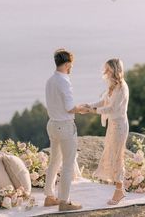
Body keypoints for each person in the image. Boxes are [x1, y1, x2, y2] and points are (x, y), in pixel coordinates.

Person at [43, 49, 87, 212]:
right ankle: (64, 202)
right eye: (71, 64)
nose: (71, 67)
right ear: (68, 64)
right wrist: (82, 109)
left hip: (52, 125)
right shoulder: (64, 81)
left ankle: (49, 197)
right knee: (68, 164)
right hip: (64, 126)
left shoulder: (50, 80)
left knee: (54, 161)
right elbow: (69, 108)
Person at [81, 58, 129, 205]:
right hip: (112, 126)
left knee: (117, 157)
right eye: (105, 69)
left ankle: (119, 191)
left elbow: (112, 109)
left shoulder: (122, 88)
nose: (105, 72)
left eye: (108, 69)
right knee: (111, 154)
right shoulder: (112, 86)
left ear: (115, 70)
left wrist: (92, 111)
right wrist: (88, 105)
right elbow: (104, 102)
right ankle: (119, 188)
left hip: (120, 126)